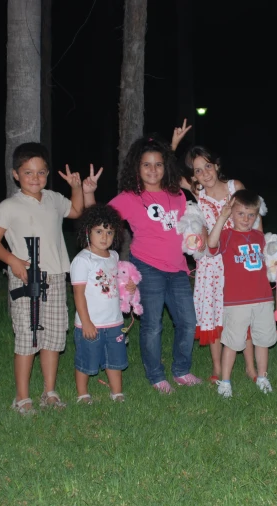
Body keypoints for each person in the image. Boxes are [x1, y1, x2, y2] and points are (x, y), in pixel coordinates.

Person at [82, 135, 203, 393]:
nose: (152, 170)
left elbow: (188, 227)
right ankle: (156, 376)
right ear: (137, 167)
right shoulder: (130, 198)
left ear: (166, 167)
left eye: (158, 164)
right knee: (152, 325)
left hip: (178, 268)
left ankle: (181, 370)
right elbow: (99, 220)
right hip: (147, 267)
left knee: (188, 322)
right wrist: (89, 193)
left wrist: (197, 242)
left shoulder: (177, 195)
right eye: (146, 164)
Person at [0, 142, 99, 414]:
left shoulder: (53, 199)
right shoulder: (8, 206)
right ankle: (22, 398)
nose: (35, 178)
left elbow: (76, 211)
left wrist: (75, 187)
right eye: (28, 173)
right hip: (26, 278)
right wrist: (12, 260)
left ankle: (50, 391)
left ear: (47, 173)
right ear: (16, 174)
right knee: (27, 337)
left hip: (57, 275)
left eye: (40, 172)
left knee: (54, 336)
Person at [183, 145, 261, 383]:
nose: (205, 173)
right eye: (198, 170)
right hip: (211, 263)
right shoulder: (198, 193)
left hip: (237, 260)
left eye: (208, 166)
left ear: (216, 165)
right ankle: (217, 369)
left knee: (241, 312)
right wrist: (174, 144)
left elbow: (253, 218)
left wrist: (259, 254)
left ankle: (250, 367)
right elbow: (168, 172)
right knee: (214, 315)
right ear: (193, 176)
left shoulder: (234, 187)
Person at [206, 190, 277, 398]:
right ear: (232, 213)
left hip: (262, 298)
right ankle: (224, 382)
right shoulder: (227, 235)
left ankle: (262, 377)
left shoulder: (260, 237)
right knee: (232, 342)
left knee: (262, 340)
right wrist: (222, 218)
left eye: (251, 215)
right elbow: (211, 244)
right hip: (236, 301)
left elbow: (270, 263)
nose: (246, 219)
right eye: (240, 213)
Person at [70, 204, 135, 404]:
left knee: (115, 360)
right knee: (86, 360)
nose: (104, 237)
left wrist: (128, 287)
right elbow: (78, 294)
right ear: (88, 231)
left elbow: (116, 284)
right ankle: (82, 394)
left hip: (114, 321)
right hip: (91, 323)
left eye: (109, 232)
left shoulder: (114, 257)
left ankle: (117, 392)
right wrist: (86, 322)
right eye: (99, 231)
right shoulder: (83, 260)